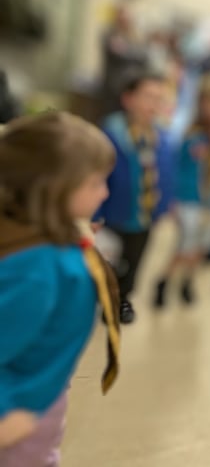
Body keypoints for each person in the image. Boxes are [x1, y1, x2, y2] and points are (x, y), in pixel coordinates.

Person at [0, 112, 121, 466]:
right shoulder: (38, 271)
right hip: (18, 407)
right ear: (54, 189)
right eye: (95, 183)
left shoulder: (48, 234)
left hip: (44, 389)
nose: (105, 192)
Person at [153, 79, 210, 307]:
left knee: (202, 246)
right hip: (188, 198)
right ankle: (164, 281)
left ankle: (187, 282)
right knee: (185, 244)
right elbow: (176, 166)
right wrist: (170, 198)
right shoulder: (192, 132)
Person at [96, 71, 175, 324]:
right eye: (148, 97)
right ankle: (101, 301)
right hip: (113, 216)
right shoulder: (110, 135)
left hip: (145, 217)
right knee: (108, 264)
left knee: (134, 264)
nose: (154, 105)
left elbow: (167, 175)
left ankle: (122, 302)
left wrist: (165, 206)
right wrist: (96, 216)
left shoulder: (161, 138)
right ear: (128, 99)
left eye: (159, 99)